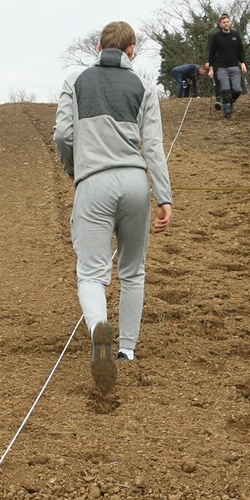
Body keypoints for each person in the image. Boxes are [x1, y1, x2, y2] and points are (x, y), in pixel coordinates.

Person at [54, 22, 175, 395]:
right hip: (136, 182)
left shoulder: (74, 81)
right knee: (133, 270)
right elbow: (152, 145)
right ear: (132, 50)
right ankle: (126, 349)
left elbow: (63, 135)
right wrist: (164, 197)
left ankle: (97, 331)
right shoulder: (144, 86)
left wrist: (77, 170)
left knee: (92, 273)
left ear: (98, 46)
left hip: (94, 181)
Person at [203, 14, 248, 120]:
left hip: (234, 66)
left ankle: (228, 102)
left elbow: (240, 50)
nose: (226, 24)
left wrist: (243, 63)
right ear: (220, 24)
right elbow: (212, 53)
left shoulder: (235, 35)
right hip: (221, 67)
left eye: (227, 22)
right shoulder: (216, 37)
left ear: (230, 22)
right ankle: (227, 114)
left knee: (237, 89)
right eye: (224, 22)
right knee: (225, 89)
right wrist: (211, 68)